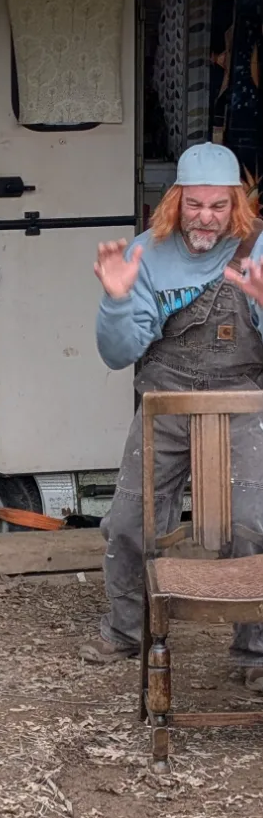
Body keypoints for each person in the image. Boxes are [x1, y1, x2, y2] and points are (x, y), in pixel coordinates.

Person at [81, 142, 264, 694]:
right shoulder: (145, 253)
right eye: (194, 205)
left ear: (235, 204)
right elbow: (117, 354)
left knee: (253, 523)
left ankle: (254, 649)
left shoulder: (258, 248)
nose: (205, 218)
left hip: (244, 397)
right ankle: (126, 629)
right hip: (164, 395)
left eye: (218, 206)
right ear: (176, 201)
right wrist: (115, 301)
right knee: (132, 523)